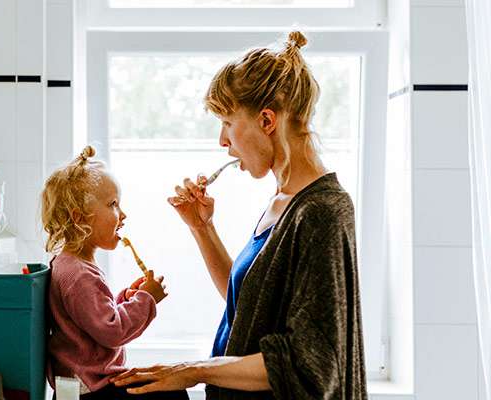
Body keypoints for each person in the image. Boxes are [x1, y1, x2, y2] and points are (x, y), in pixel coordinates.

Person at [111, 31, 368, 399]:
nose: (222, 141)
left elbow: (311, 362)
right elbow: (248, 302)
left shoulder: (322, 212)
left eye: (227, 123)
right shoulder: (283, 200)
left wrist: (194, 370)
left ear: (267, 120)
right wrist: (203, 228)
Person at [41, 145, 189, 400]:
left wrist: (127, 298)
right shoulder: (78, 275)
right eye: (113, 205)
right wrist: (146, 300)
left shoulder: (70, 264)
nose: (123, 215)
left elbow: (92, 320)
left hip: (81, 386)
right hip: (92, 390)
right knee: (172, 392)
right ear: (79, 219)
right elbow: (112, 332)